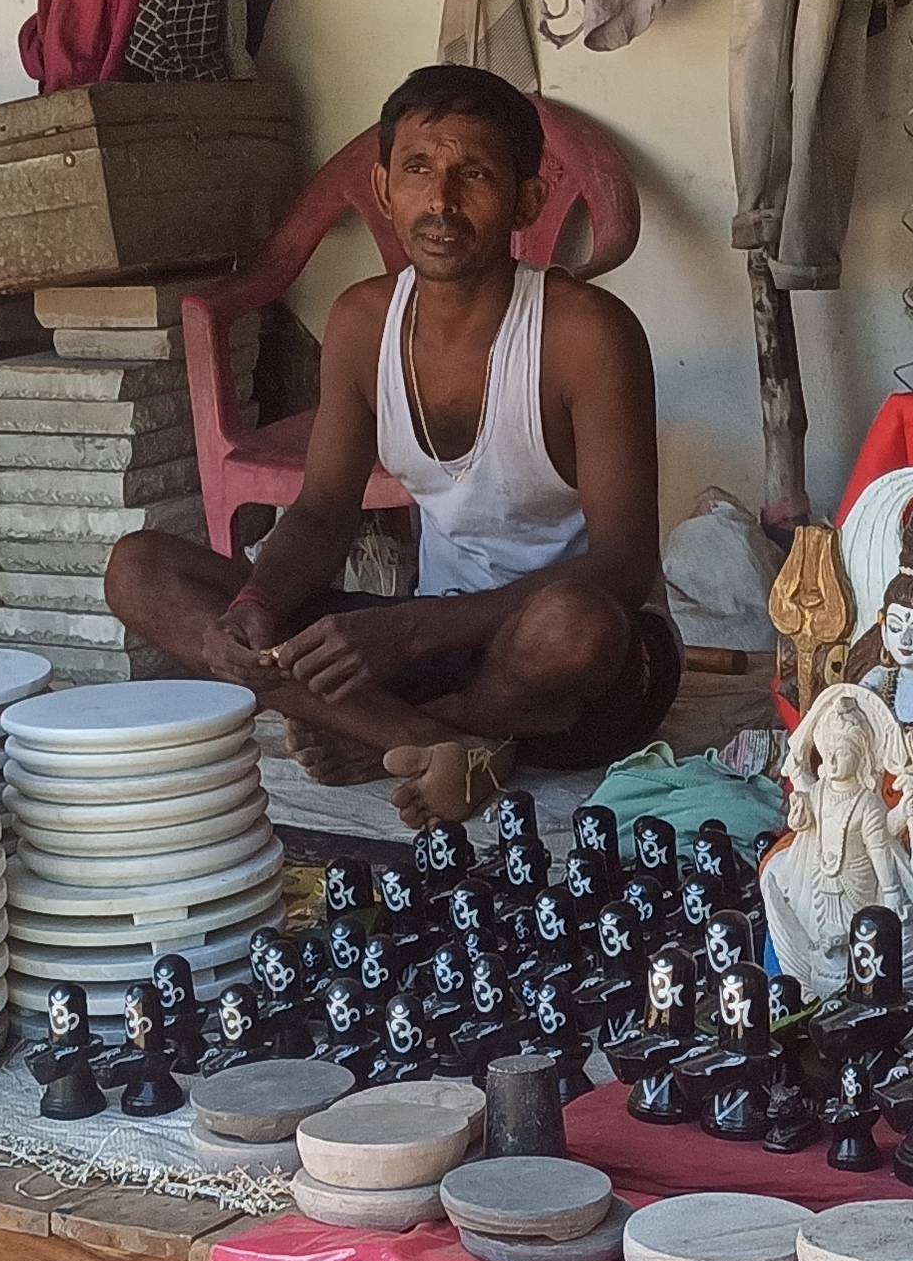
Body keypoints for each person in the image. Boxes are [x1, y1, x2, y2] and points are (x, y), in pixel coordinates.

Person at [107, 66, 678, 827]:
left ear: (528, 201)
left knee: (571, 622)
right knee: (139, 570)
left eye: (473, 174)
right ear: (384, 189)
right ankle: (435, 740)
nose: (440, 202)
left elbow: (624, 566)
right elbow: (320, 512)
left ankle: (408, 734)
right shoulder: (361, 322)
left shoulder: (586, 333)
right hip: (432, 638)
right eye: (417, 170)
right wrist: (257, 602)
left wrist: (403, 632)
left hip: (577, 671)